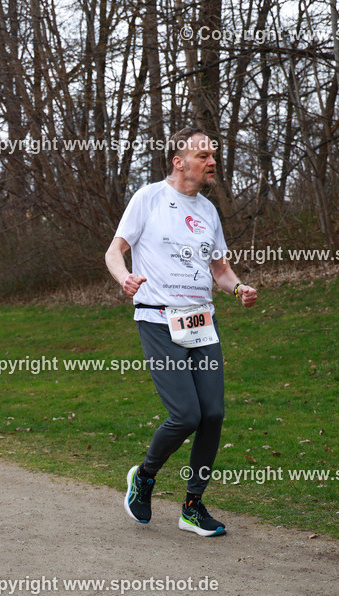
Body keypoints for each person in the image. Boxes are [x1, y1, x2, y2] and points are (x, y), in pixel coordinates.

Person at [105, 127, 258, 537]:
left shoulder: (208, 211)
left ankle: (193, 505)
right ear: (179, 161)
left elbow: (220, 270)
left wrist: (239, 288)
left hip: (202, 322)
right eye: (204, 155)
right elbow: (114, 250)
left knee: (213, 414)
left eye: (214, 156)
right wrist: (124, 278)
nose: (213, 162)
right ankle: (145, 476)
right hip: (158, 318)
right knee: (186, 414)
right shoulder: (148, 198)